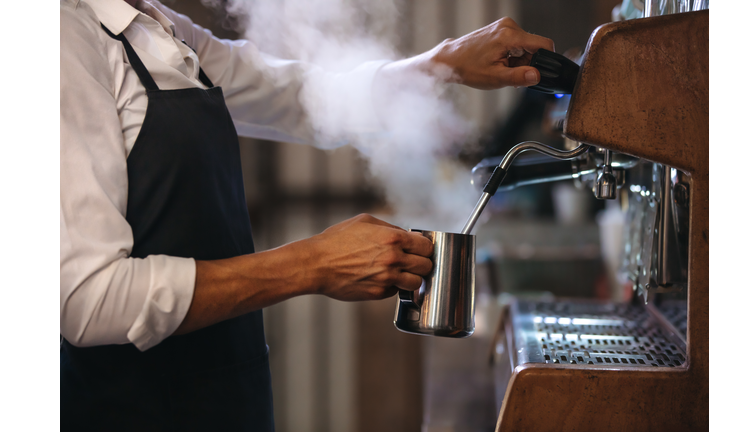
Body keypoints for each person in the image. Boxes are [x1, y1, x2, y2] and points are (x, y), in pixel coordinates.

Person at [60, 0, 554, 430]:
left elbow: (299, 97)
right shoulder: (61, 38)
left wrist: (441, 63)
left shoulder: (154, 25)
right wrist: (311, 264)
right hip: (129, 411)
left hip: (224, 399)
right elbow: (89, 298)